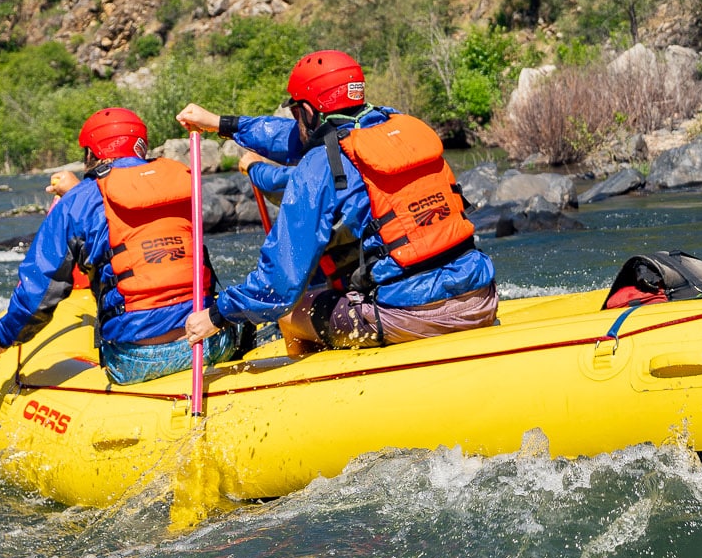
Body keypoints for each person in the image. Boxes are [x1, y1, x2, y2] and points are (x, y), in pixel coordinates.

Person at [176, 49, 499, 354]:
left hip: (410, 315)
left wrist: (218, 314)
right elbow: (295, 135)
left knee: (289, 314)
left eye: (295, 110)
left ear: (307, 110)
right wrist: (224, 125)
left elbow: (280, 285)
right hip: (480, 296)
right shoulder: (398, 126)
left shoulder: (320, 165)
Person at [0, 107, 252, 386]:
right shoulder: (183, 180)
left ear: (91, 154)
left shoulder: (77, 202)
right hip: (210, 345)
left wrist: (4, 337)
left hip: (136, 360)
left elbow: (38, 293)